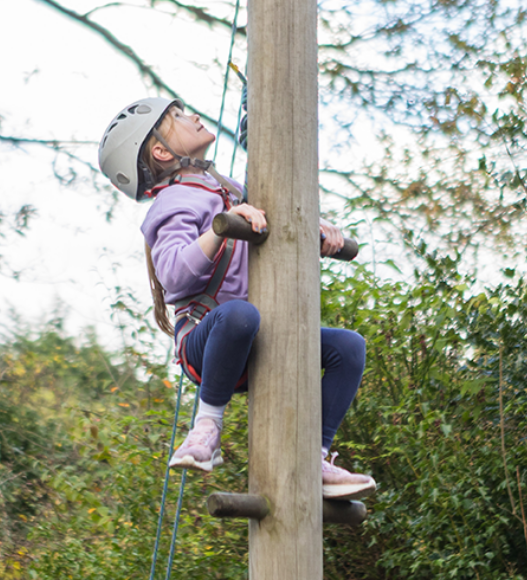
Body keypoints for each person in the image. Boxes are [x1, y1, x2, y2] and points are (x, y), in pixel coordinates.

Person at [98, 97, 377, 501]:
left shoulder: (227, 188)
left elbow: (276, 226)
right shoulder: (173, 203)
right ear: (160, 150)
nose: (193, 115)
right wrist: (221, 229)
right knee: (238, 315)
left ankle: (314, 457)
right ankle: (206, 428)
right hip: (209, 343)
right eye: (177, 117)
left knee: (348, 347)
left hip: (259, 342)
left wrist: (316, 229)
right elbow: (174, 275)